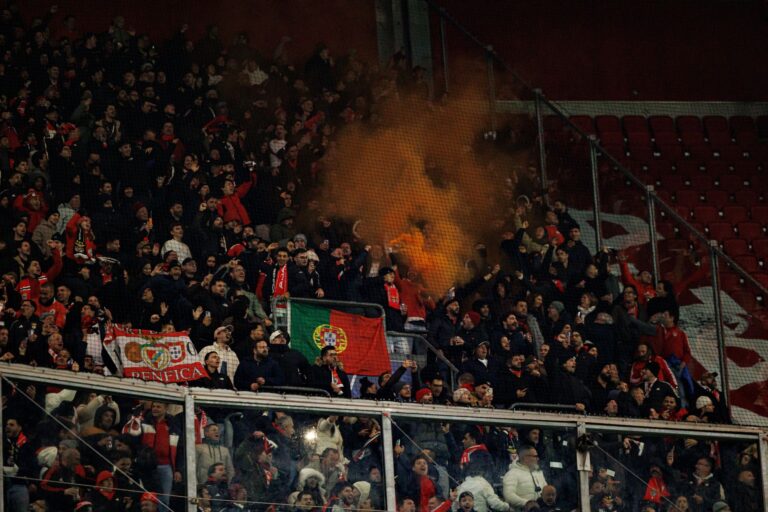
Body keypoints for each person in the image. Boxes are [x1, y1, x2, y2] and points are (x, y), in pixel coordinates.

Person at [503, 445, 547, 510]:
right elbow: (508, 496)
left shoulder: (539, 473)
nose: (538, 459)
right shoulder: (512, 474)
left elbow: (545, 489)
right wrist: (527, 503)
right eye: (535, 456)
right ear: (525, 458)